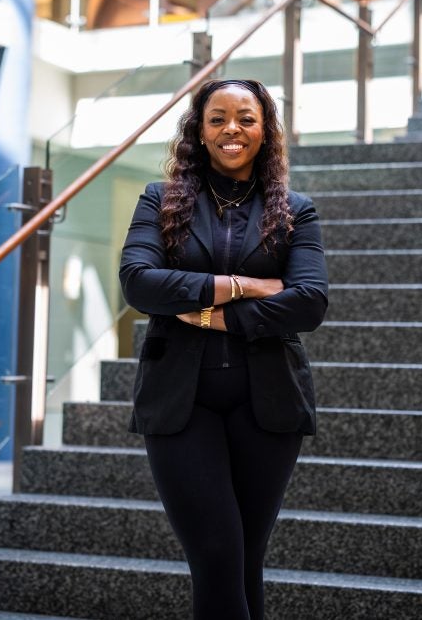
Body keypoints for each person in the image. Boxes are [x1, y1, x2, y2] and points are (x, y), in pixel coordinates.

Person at [119, 78, 328, 619]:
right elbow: (139, 283)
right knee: (215, 553)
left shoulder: (296, 211)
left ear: (264, 131)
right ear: (200, 130)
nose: (231, 129)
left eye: (245, 118)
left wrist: (205, 312)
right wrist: (247, 286)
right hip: (181, 405)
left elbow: (309, 303)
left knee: (245, 557)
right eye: (217, 118)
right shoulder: (159, 201)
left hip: (269, 404)